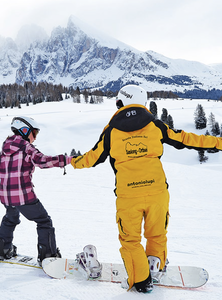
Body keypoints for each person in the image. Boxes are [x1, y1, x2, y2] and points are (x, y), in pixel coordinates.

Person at [70, 84, 222, 293]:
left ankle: (141, 281)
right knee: (157, 235)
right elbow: (186, 139)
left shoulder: (111, 131)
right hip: (157, 193)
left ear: (120, 102)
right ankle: (154, 266)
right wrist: (219, 143)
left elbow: (93, 158)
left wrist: (73, 162)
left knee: (130, 240)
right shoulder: (155, 125)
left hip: (128, 195)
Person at [0, 116, 72, 265]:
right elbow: (42, 161)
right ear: (24, 131)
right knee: (44, 221)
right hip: (23, 196)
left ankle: (2, 249)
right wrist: (66, 160)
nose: (35, 138)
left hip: (6, 196)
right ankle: (48, 255)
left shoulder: (4, 150)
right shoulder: (26, 147)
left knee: (11, 218)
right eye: (34, 133)